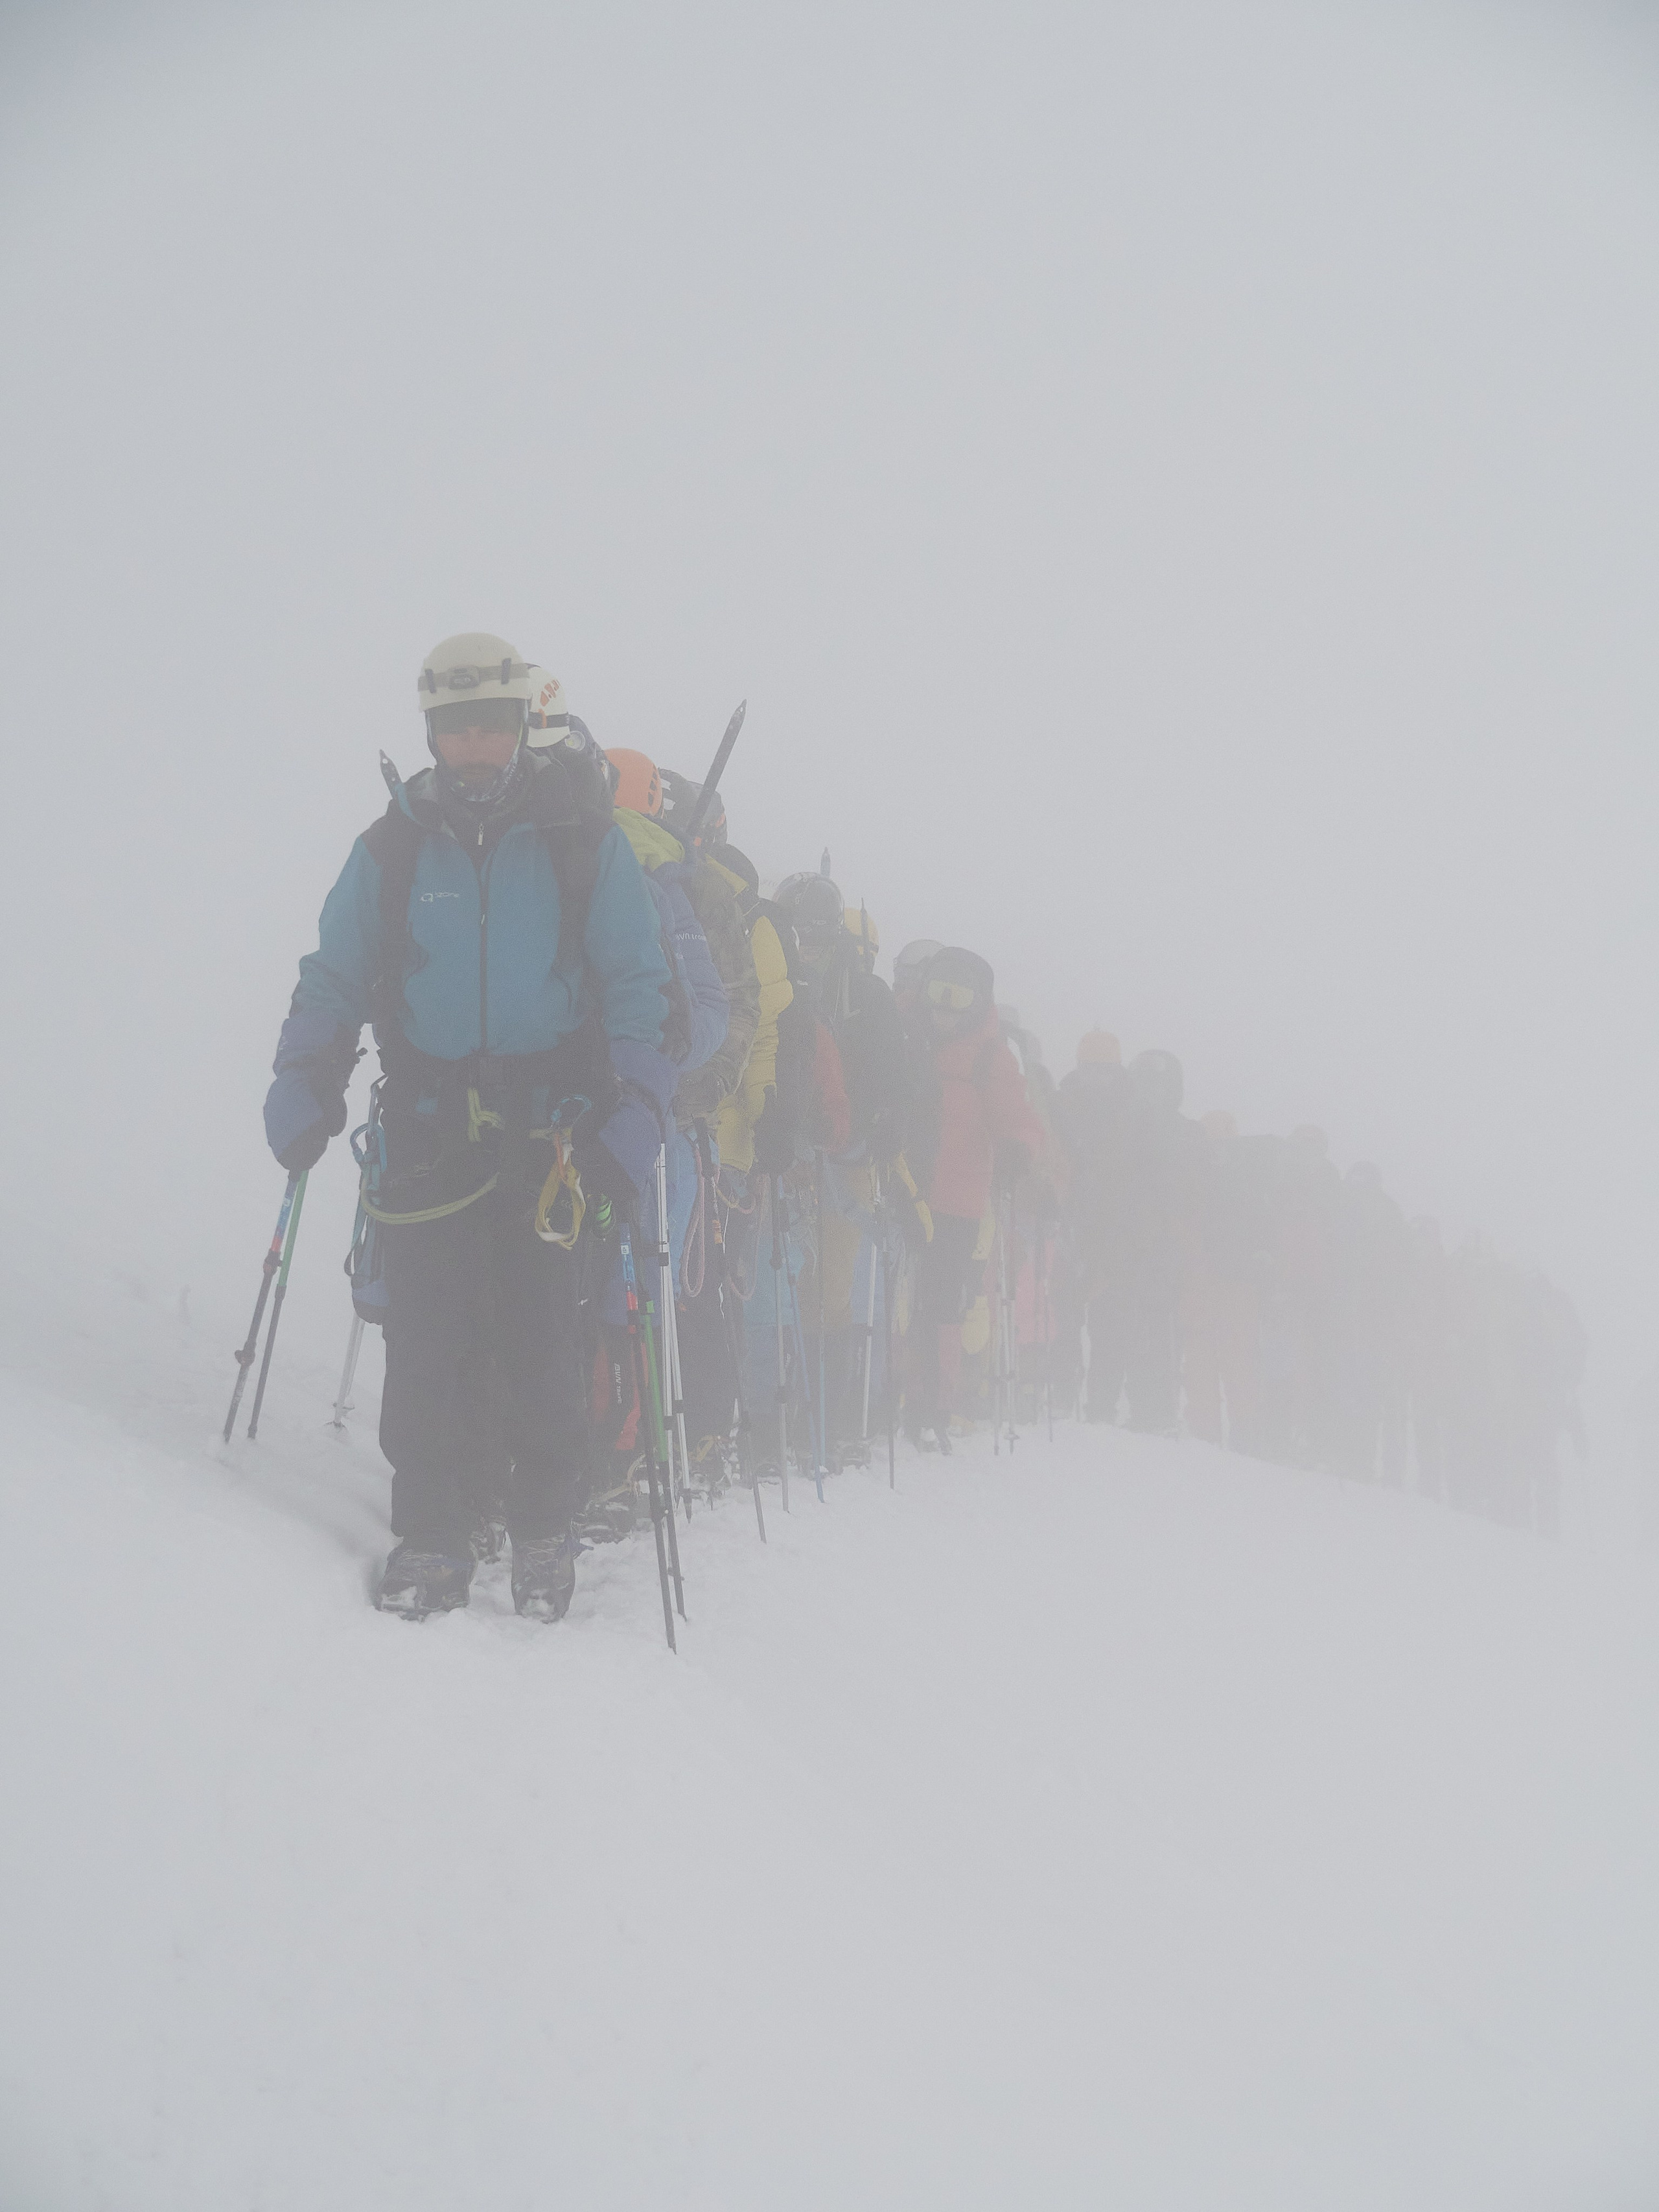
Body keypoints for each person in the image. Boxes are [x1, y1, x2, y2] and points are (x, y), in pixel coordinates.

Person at [263, 633, 677, 1621]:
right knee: (428, 1341)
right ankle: (435, 1535)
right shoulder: (395, 844)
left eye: (492, 723)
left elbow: (638, 983)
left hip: (550, 1137)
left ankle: (543, 1526)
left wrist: (639, 1111)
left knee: (542, 1337)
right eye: (456, 728)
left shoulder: (582, 836)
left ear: (524, 723)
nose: (476, 744)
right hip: (427, 1128)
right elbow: (334, 971)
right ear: (433, 733)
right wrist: (304, 1070)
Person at [772, 872, 911, 1458]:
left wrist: (875, 1130)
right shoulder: (780, 984)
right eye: (799, 936)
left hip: (846, 1158)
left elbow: (894, 1079)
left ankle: (824, 1421)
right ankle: (786, 1414)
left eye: (816, 937)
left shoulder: (869, 997)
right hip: (786, 1157)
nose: (807, 947)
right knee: (784, 1285)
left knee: (829, 1288)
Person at [902, 946, 1043, 1449]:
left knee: (942, 1303)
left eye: (957, 1001)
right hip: (902, 1187)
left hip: (956, 1199)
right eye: (938, 996)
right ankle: (894, 1393)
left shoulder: (989, 1054)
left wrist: (1017, 1151)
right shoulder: (905, 1033)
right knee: (900, 1300)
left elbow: (1017, 1115)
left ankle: (934, 1403)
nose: (944, 1011)